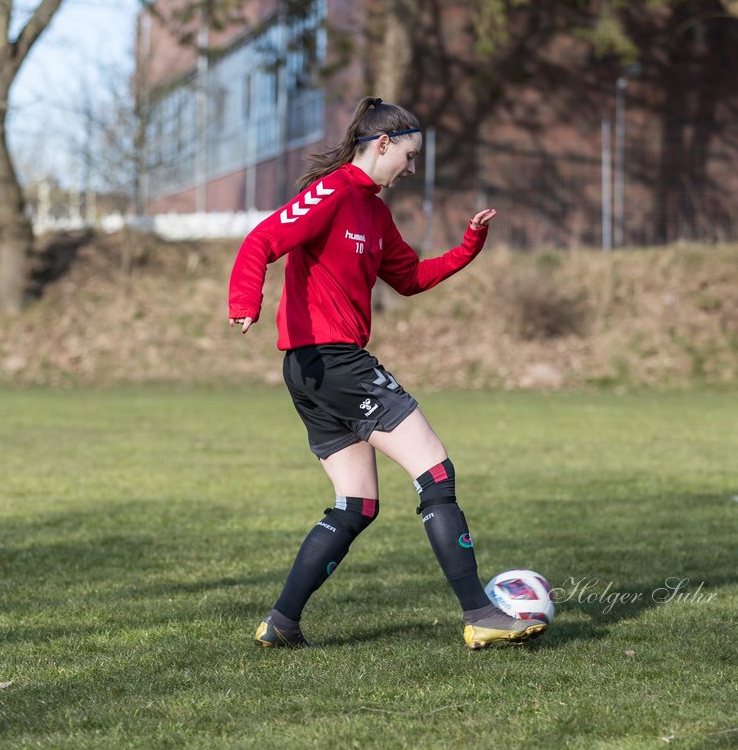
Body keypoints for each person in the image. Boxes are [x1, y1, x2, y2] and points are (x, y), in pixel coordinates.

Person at [228, 96, 545, 650]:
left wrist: (469, 247)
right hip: (332, 362)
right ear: (382, 144)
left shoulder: (374, 211)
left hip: (317, 369)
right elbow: (263, 239)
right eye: (410, 155)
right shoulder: (333, 192)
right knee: (436, 473)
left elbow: (409, 277)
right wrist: (245, 299)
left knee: (357, 504)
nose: (412, 168)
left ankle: (281, 623)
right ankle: (480, 613)